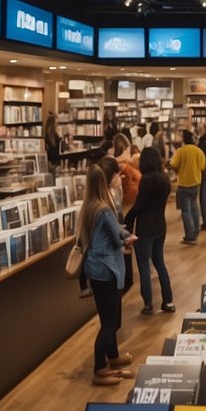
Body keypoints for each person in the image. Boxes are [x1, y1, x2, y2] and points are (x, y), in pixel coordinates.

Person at [79, 163, 137, 386]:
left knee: (108, 317)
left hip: (95, 269)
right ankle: (99, 368)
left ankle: (112, 357)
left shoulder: (89, 207)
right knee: (110, 322)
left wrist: (122, 233)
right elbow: (115, 238)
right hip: (107, 269)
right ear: (105, 181)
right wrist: (128, 238)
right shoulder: (103, 209)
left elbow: (111, 231)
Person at [124, 147, 175, 315]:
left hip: (145, 227)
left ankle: (148, 304)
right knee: (160, 263)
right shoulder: (164, 178)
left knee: (144, 266)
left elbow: (139, 206)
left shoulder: (147, 179)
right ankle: (168, 301)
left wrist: (126, 222)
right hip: (160, 225)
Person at [170, 129, 206, 244]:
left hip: (184, 183)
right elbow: (202, 167)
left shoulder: (180, 151)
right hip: (196, 182)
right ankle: (196, 231)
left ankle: (190, 236)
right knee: (195, 207)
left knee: (186, 210)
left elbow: (173, 164)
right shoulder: (198, 151)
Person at [113, 133, 142, 217]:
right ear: (125, 149)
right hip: (129, 205)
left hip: (127, 204)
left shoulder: (123, 165)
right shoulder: (124, 166)